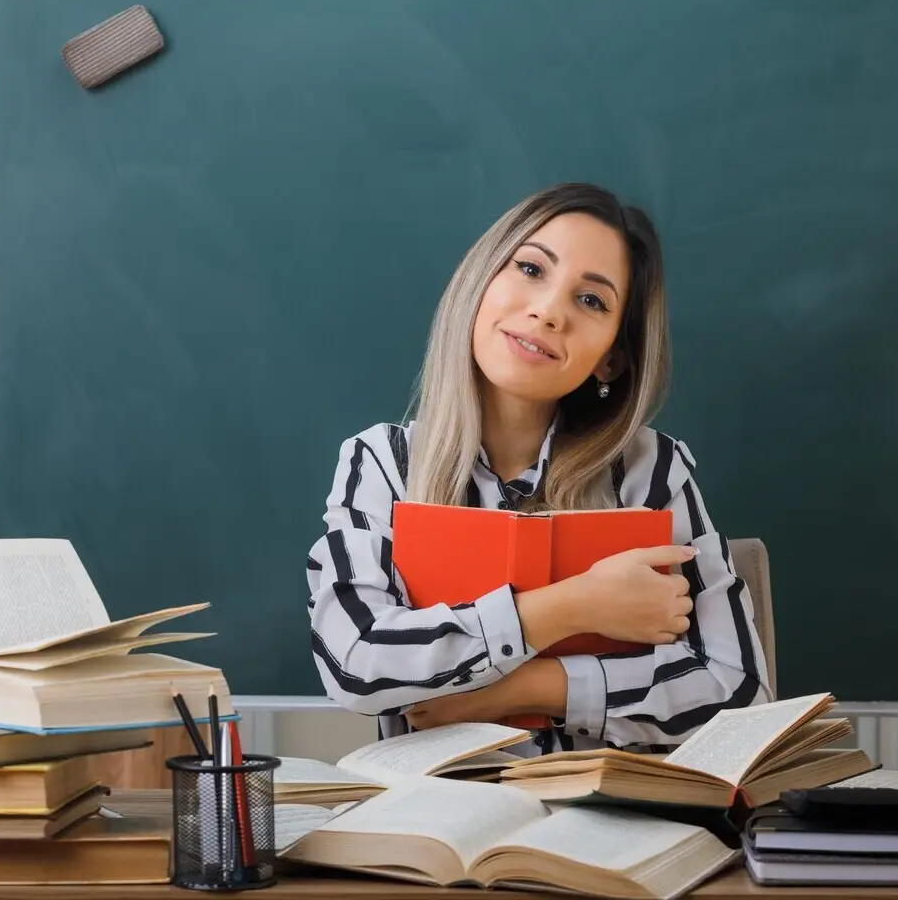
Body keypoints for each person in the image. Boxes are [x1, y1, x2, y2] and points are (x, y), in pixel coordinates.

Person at [305, 182, 771, 756]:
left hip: (614, 822)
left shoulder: (650, 471)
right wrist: (575, 606)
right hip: (443, 820)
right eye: (530, 268)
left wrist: (524, 689)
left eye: (592, 301)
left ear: (611, 359)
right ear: (480, 282)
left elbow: (740, 693)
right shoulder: (382, 461)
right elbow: (354, 661)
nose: (549, 311)